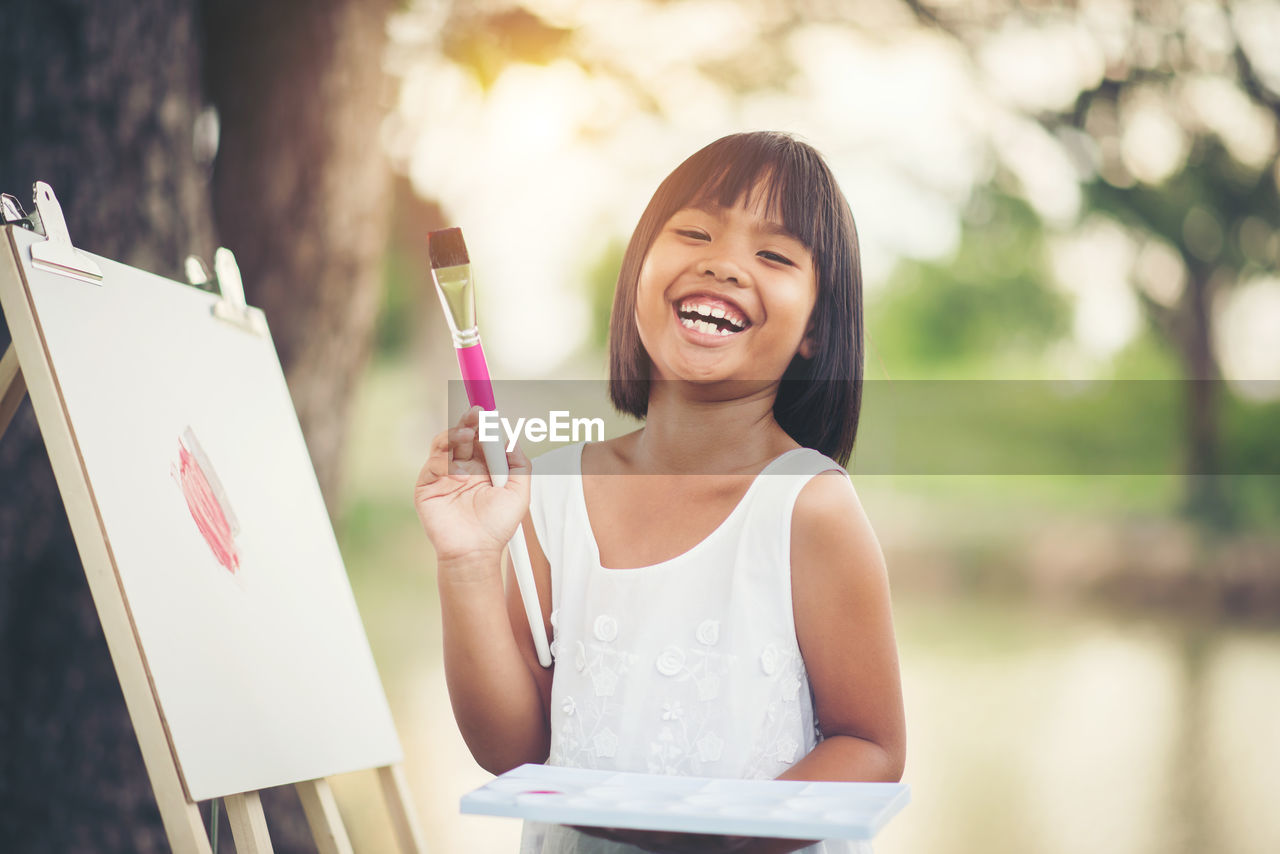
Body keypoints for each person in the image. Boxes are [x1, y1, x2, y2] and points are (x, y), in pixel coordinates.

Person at [415, 131, 905, 854]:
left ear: (815, 330)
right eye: (695, 232)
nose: (725, 262)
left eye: (773, 255)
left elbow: (871, 746)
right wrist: (466, 564)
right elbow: (513, 749)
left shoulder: (809, 506)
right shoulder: (547, 492)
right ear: (637, 271)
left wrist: (724, 840)